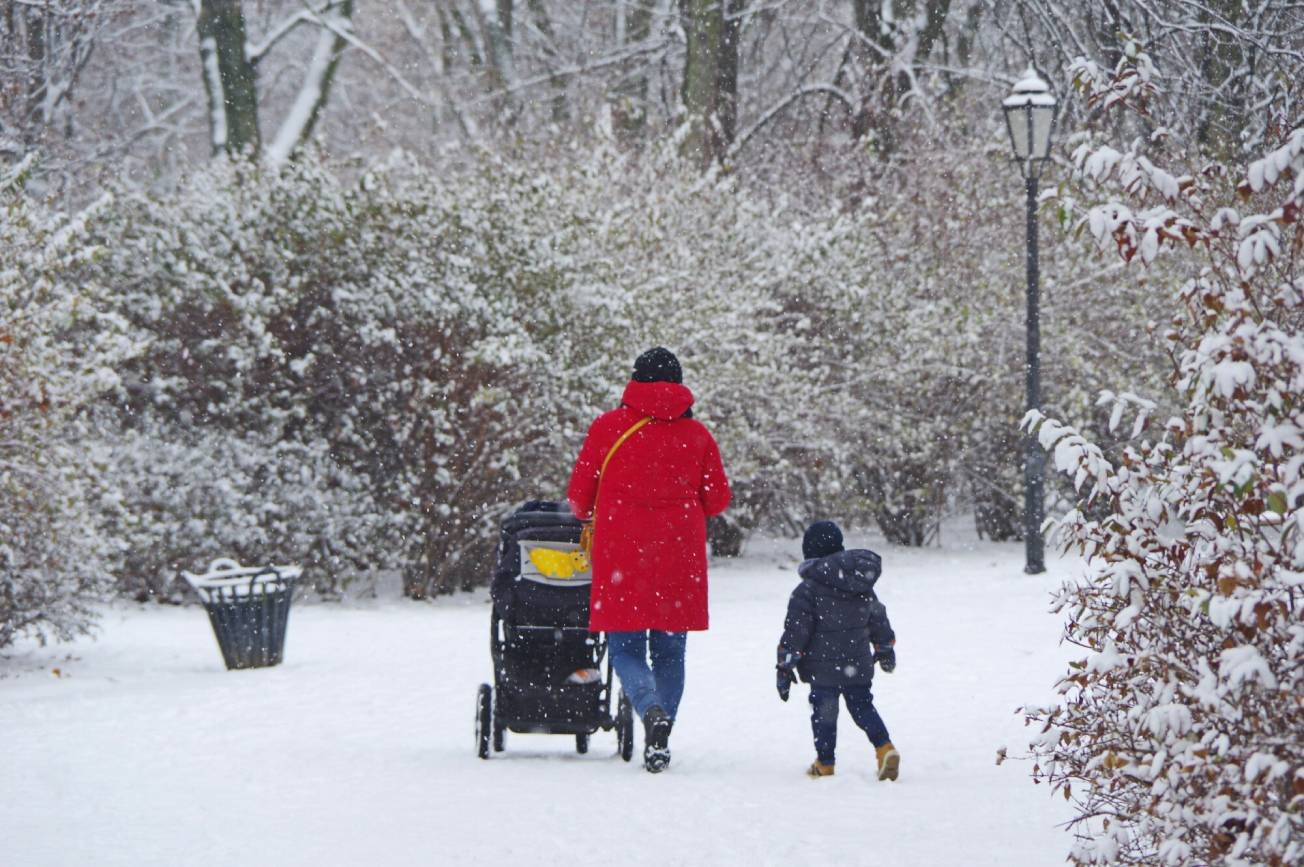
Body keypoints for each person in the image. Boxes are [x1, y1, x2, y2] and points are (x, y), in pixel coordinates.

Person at [567, 347, 731, 773]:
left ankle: (649, 710)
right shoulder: (698, 437)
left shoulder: (608, 428)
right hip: (680, 556)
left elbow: (579, 498)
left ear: (634, 381)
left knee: (624, 648)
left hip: (621, 555)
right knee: (671, 651)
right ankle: (663, 731)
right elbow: (718, 500)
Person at [776, 520, 900, 781]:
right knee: (863, 707)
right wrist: (885, 648)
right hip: (858, 663)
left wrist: (785, 666)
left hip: (823, 670)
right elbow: (878, 618)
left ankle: (825, 763)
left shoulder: (807, 590)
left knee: (825, 713)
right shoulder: (861, 585)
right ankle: (884, 747)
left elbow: (795, 632)